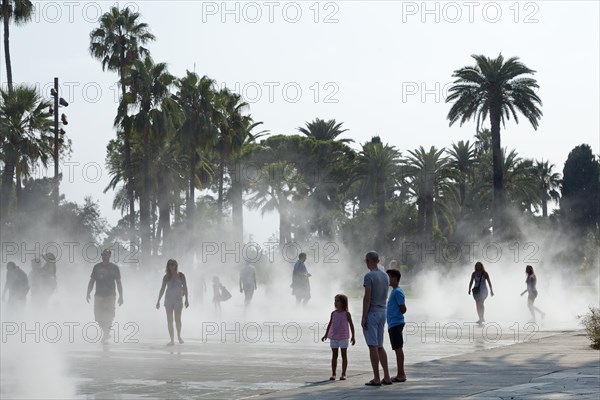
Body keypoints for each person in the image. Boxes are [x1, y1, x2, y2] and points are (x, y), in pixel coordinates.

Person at [361, 251, 392, 386]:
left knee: (372, 346)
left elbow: (367, 298)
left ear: (371, 261)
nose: (366, 263)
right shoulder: (385, 276)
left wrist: (363, 317)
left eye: (366, 261)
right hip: (382, 311)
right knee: (380, 346)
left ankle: (376, 378)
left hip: (372, 312)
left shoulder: (369, 276)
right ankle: (387, 376)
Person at [86, 249, 123, 344]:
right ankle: (106, 332)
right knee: (98, 317)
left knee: (109, 315)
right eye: (103, 255)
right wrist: (88, 293)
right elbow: (92, 281)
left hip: (110, 295)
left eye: (106, 255)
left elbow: (118, 282)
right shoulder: (97, 267)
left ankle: (106, 334)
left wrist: (121, 296)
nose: (104, 256)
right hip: (98, 295)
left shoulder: (114, 268)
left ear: (110, 256)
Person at [321, 294, 356, 381]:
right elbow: (330, 324)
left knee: (344, 355)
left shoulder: (347, 314)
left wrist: (353, 336)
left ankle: (344, 373)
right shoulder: (333, 313)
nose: (335, 302)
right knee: (334, 355)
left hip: (343, 337)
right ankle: (333, 373)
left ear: (343, 302)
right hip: (334, 337)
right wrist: (326, 335)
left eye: (337, 301)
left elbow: (351, 325)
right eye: (335, 300)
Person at [156, 259, 189, 346]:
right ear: (168, 266)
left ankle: (179, 336)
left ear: (176, 265)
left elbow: (185, 288)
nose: (171, 266)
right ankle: (172, 340)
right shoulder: (166, 277)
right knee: (169, 320)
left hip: (178, 300)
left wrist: (187, 300)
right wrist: (158, 300)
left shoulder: (181, 275)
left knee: (177, 320)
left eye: (173, 264)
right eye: (170, 264)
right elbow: (162, 289)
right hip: (168, 300)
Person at [386, 268, 407, 382]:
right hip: (393, 323)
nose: (388, 279)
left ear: (395, 278)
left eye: (389, 277)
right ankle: (400, 373)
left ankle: (401, 374)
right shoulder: (394, 291)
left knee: (398, 349)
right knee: (397, 348)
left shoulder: (398, 291)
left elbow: (403, 308)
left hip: (396, 323)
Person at [468, 261, 494, 326]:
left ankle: (482, 317)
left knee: (481, 303)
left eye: (479, 265)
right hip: (476, 291)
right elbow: (471, 281)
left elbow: (489, 282)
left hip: (484, 290)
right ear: (475, 267)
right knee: (477, 304)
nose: (478, 267)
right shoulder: (474, 274)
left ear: (481, 266)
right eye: (477, 265)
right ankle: (480, 318)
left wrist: (491, 291)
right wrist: (469, 289)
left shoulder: (485, 273)